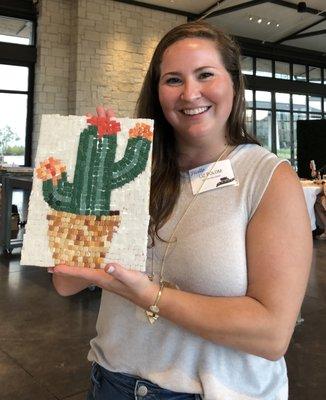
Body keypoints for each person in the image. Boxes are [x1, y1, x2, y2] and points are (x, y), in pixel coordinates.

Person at [48, 21, 312, 399]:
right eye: (173, 79)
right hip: (113, 382)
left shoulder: (267, 177)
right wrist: (95, 181)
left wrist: (150, 296)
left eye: (205, 74)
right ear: (157, 91)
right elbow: (65, 282)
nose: (190, 93)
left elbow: (271, 335)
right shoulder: (135, 168)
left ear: (234, 84)